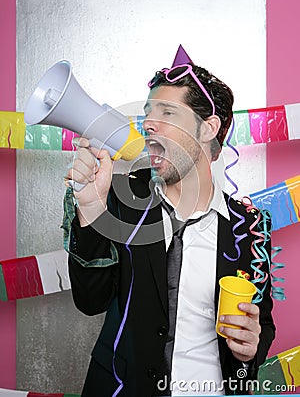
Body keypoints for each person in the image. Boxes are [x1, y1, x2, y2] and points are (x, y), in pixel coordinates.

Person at [62, 54, 275, 397]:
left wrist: (251, 348)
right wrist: (89, 210)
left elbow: (261, 323)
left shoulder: (250, 227)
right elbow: (90, 301)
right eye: (148, 112)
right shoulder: (122, 204)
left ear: (209, 128)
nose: (148, 123)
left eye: (167, 113)